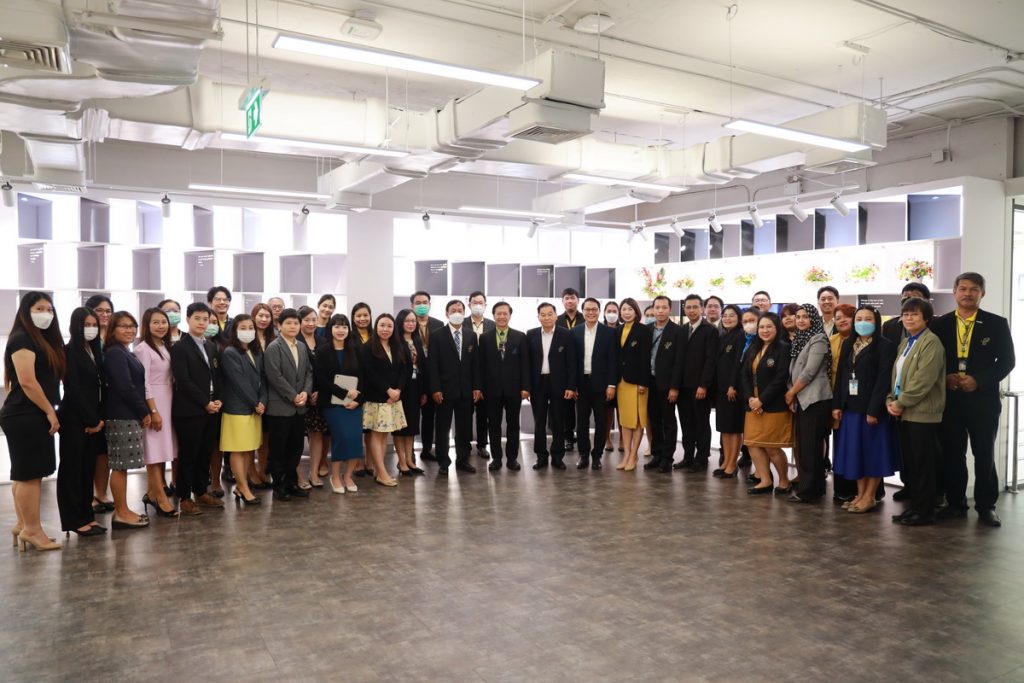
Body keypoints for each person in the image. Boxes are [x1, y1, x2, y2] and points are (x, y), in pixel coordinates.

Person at [932, 272, 1016, 527]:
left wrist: (979, 380)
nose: (968, 293)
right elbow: (932, 361)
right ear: (955, 292)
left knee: (984, 454)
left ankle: (986, 506)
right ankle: (955, 503)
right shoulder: (940, 324)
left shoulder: (996, 323)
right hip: (951, 401)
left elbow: (1007, 361)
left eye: (974, 289)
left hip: (983, 401)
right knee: (952, 454)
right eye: (963, 288)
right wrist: (944, 377)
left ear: (982, 293)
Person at [2, 292, 65, 551]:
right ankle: (33, 530)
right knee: (31, 475)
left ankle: (23, 525)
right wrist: (50, 411)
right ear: (26, 311)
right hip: (26, 414)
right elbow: (27, 381)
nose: (46, 314)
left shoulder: (39, 340)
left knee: (23, 475)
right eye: (39, 308)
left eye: (49, 309)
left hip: (27, 413)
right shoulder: (22, 338)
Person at [832, 306, 898, 513]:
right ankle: (860, 494)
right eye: (859, 319)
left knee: (873, 454)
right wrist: (837, 404)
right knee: (856, 454)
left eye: (868, 319)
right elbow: (841, 376)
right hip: (850, 408)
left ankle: (870, 496)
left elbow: (883, 380)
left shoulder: (885, 346)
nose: (862, 322)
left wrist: (873, 410)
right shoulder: (848, 343)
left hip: (871, 411)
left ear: (876, 321)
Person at [886, 297, 946, 526]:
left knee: (923, 464)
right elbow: (897, 377)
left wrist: (900, 402)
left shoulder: (932, 342)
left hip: (922, 413)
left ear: (926, 318)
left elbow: (923, 380)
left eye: (914, 314)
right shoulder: (906, 342)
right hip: (905, 412)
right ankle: (915, 507)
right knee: (912, 463)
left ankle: (925, 511)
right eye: (906, 314)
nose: (909, 318)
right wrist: (890, 399)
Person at [170, 302, 224, 515]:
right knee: (189, 454)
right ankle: (184, 497)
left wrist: (218, 400)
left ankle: (201, 491)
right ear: (188, 319)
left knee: (205, 452)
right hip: (190, 410)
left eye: (206, 319)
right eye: (197, 319)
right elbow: (183, 381)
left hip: (211, 407)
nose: (202, 323)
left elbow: (216, 376)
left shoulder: (210, 346)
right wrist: (204, 402)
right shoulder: (180, 347)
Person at [57, 307, 106, 537]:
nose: (91, 329)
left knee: (87, 470)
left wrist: (98, 419)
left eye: (94, 325)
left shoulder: (94, 350)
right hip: (75, 419)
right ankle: (74, 520)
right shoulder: (68, 351)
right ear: (76, 326)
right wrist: (92, 419)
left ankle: (87, 515)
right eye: (86, 325)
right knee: (73, 470)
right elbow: (73, 389)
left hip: (93, 420)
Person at [103, 311, 151, 529]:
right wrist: (143, 411)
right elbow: (125, 386)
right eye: (123, 326)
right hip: (121, 415)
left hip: (127, 415)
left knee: (123, 466)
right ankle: (121, 512)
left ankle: (123, 510)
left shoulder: (125, 352)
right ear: (113, 329)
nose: (129, 330)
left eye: (132, 326)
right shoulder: (115, 352)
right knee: (120, 466)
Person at [784, 305, 833, 503]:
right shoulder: (800, 340)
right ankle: (812, 488)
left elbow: (809, 372)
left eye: (805, 316)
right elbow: (793, 372)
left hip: (815, 400)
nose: (801, 320)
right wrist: (794, 395)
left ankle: (809, 492)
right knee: (804, 447)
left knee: (811, 448)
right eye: (798, 317)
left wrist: (791, 393)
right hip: (802, 399)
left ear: (813, 319)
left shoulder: (818, 338)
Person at [263, 308, 314, 501]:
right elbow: (274, 376)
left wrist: (305, 392)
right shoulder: (273, 347)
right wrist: (293, 396)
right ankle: (279, 485)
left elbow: (308, 372)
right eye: (288, 323)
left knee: (296, 448)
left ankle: (292, 482)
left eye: (296, 323)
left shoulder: (301, 346)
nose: (293, 326)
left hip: (299, 407)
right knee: (279, 449)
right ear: (279, 325)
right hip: (280, 407)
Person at [741, 312, 793, 495]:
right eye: (761, 327)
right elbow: (744, 375)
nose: (765, 330)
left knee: (771, 446)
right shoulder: (753, 348)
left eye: (769, 326)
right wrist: (750, 398)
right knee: (753, 443)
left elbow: (781, 378)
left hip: (772, 403)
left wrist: (761, 400)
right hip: (752, 402)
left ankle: (784, 481)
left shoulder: (784, 348)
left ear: (777, 328)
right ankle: (765, 480)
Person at [133, 308, 178, 518]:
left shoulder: (165, 346)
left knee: (162, 451)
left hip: (168, 399)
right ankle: (160, 497)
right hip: (155, 401)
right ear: (147, 325)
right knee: (153, 451)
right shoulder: (143, 349)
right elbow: (144, 383)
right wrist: (152, 410)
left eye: (163, 322)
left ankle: (152, 492)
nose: (161, 326)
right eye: (155, 322)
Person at [428, 300, 482, 475]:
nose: (457, 313)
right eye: (453, 310)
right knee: (443, 428)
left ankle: (463, 460)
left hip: (466, 390)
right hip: (444, 391)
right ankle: (443, 461)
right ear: (447, 313)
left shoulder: (471, 335)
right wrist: (435, 389)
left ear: (464, 313)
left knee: (464, 428)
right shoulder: (437, 335)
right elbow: (432, 365)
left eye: (460, 310)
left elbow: (475, 364)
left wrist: (476, 387)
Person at [219, 315, 267, 506]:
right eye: (243, 328)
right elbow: (239, 383)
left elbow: (262, 379)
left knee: (249, 449)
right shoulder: (230, 352)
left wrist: (262, 400)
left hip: (255, 408)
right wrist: (255, 402)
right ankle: (243, 487)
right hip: (238, 408)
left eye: (250, 327)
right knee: (238, 449)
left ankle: (242, 486)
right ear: (235, 331)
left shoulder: (256, 351)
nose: (247, 331)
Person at [315, 313, 365, 493]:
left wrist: (357, 400)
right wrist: (345, 394)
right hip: (332, 403)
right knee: (341, 437)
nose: (341, 330)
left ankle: (348, 475)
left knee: (355, 439)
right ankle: (335, 476)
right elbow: (321, 380)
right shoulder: (322, 351)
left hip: (354, 404)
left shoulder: (356, 350)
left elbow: (364, 377)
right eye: (337, 326)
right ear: (331, 329)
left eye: (344, 327)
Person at [359, 313, 410, 486]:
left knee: (384, 437)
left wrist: (398, 390)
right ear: (376, 326)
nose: (385, 329)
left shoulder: (398, 346)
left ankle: (379, 472)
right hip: (376, 398)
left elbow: (405, 370)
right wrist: (388, 391)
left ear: (394, 328)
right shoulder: (367, 348)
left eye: (389, 326)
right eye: (382, 325)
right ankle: (381, 472)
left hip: (394, 398)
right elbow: (370, 373)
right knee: (377, 435)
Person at [480, 301, 530, 471]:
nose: (501, 316)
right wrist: (480, 387)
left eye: (505, 313)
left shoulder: (520, 336)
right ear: (493, 316)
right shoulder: (484, 338)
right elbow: (480, 365)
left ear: (510, 315)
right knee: (493, 426)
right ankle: (496, 459)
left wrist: (525, 387)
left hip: (514, 390)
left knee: (513, 425)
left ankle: (512, 459)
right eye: (498, 314)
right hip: (491, 390)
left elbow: (525, 364)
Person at [527, 302, 577, 470]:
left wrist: (571, 386)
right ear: (538, 317)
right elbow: (526, 364)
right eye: (543, 314)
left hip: (559, 383)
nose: (547, 317)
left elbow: (572, 363)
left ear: (556, 316)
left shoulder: (566, 334)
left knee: (558, 422)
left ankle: (557, 456)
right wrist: (526, 386)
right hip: (538, 384)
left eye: (550, 314)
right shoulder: (531, 334)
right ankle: (541, 456)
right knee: (539, 422)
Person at [571, 297, 618, 470]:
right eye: (587, 309)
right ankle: (583, 455)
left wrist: (611, 385)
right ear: (582, 311)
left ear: (599, 311)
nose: (591, 312)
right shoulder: (574, 332)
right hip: (581, 384)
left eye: (594, 309)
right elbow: (571, 362)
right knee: (582, 422)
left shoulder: (609, 333)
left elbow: (613, 361)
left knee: (601, 422)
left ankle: (597, 455)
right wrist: (572, 385)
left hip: (602, 384)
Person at [675, 294, 719, 472]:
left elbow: (711, 360)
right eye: (688, 307)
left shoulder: (710, 330)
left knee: (701, 423)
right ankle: (687, 457)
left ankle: (701, 458)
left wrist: (703, 385)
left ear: (702, 309)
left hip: (700, 387)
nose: (691, 310)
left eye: (695, 307)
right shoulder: (681, 330)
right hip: (683, 386)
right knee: (686, 423)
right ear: (684, 309)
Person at [644, 295, 683, 474]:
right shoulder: (647, 329)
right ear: (653, 309)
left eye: (664, 307)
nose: (660, 310)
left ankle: (667, 458)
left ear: (670, 309)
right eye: (657, 307)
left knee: (668, 421)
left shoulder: (677, 331)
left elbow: (679, 362)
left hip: (667, 385)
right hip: (650, 382)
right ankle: (657, 454)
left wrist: (674, 387)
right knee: (654, 421)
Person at [85, 294, 114, 513]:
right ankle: (90, 497)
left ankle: (101, 493)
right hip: (91, 403)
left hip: (111, 403)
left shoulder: (114, 338)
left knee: (106, 451)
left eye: (108, 311)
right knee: (91, 452)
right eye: (99, 310)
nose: (104, 315)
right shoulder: (86, 339)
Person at [615, 298, 652, 471]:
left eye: (630, 309)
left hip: (637, 382)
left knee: (637, 420)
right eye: (624, 309)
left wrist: (643, 382)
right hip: (621, 382)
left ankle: (633, 455)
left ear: (636, 312)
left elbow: (646, 358)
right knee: (625, 420)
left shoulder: (643, 330)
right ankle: (626, 454)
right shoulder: (618, 330)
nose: (627, 312)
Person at [411, 291, 446, 463]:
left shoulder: (439, 324)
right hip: (414, 377)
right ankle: (409, 452)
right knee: (411, 416)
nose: (421, 305)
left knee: (429, 416)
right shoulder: (408, 324)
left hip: (432, 377)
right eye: (418, 303)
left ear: (430, 304)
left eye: (425, 302)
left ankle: (426, 449)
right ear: (412, 305)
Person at [391, 309, 426, 476]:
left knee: (411, 426)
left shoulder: (417, 340)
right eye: (407, 321)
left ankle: (410, 461)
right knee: (400, 427)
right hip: (400, 388)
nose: (411, 324)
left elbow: (422, 366)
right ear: (400, 322)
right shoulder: (395, 342)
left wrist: (423, 391)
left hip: (415, 387)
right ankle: (402, 462)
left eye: (413, 321)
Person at [828, 302, 858, 501]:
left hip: (856, 400)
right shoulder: (831, 340)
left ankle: (860, 489)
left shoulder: (862, 341)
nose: (842, 321)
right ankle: (841, 488)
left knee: (855, 444)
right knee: (839, 444)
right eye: (838, 318)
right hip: (834, 397)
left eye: (846, 317)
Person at [298, 305, 329, 487]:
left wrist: (320, 392)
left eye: (313, 320)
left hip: (319, 395)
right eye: (306, 320)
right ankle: (297, 475)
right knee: (296, 437)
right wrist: (307, 392)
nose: (311, 323)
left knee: (317, 435)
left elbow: (327, 369)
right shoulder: (295, 340)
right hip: (299, 396)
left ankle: (314, 472)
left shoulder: (323, 341)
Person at [713, 305, 746, 479]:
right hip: (721, 388)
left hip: (732, 390)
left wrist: (732, 385)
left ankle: (733, 464)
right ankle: (726, 461)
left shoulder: (740, 335)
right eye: (725, 315)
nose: (727, 318)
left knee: (734, 428)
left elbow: (737, 363)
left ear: (739, 318)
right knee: (724, 428)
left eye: (731, 315)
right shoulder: (724, 335)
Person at [249, 302, 276, 488]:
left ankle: (262, 471)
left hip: (271, 393)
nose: (264, 319)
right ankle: (251, 472)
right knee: (252, 437)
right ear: (253, 317)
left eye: (267, 316)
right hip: (253, 393)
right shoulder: (247, 338)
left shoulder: (274, 339)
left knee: (266, 437)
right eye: (260, 315)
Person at [467, 291, 496, 460]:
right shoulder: (461, 323)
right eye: (474, 302)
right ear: (469, 304)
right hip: (466, 376)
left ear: (485, 305)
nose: (477, 305)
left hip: (486, 377)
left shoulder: (493, 324)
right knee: (465, 413)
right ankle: (464, 445)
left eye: (480, 302)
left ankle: (482, 445)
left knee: (484, 414)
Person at [349, 301, 374, 476]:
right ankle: (357, 462)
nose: (362, 318)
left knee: (370, 428)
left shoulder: (376, 334)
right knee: (356, 428)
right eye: (358, 316)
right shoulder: (349, 336)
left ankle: (370, 462)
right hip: (355, 386)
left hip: (373, 386)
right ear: (353, 318)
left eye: (365, 315)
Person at [557, 287, 582, 453]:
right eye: (567, 298)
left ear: (577, 300)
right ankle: (568, 437)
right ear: (562, 301)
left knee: (583, 407)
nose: (570, 301)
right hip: (563, 369)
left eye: (573, 298)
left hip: (583, 367)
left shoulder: (585, 318)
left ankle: (582, 435)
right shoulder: (556, 319)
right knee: (566, 406)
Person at [602, 301, 622, 453]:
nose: (612, 314)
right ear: (604, 313)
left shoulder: (623, 329)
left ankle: (622, 438)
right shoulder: (600, 329)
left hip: (622, 374)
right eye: (609, 311)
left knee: (621, 409)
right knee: (607, 410)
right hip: (605, 375)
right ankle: (607, 438)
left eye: (614, 311)